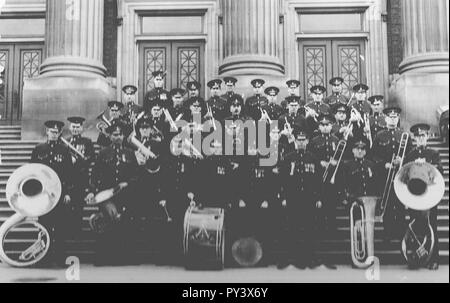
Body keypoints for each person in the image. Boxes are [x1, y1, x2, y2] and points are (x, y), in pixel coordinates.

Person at [87, 121, 139, 266]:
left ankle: (124, 258)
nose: (118, 137)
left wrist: (128, 183)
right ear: (110, 136)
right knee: (107, 224)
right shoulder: (103, 153)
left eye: (120, 134)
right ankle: (104, 258)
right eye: (115, 134)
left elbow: (136, 174)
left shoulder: (130, 153)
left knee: (124, 225)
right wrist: (93, 191)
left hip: (125, 195)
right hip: (106, 195)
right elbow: (94, 174)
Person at [31, 120, 74, 266]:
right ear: (46, 132)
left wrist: (68, 193)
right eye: (52, 132)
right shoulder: (38, 149)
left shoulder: (64, 150)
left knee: (61, 227)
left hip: (60, 194)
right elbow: (33, 173)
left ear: (60, 133)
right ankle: (44, 258)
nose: (54, 134)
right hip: (43, 195)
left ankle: (60, 258)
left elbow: (69, 173)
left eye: (57, 132)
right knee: (45, 226)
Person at [278, 130, 321, 269]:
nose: (301, 142)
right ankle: (292, 258)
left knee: (310, 229)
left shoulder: (313, 158)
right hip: (293, 198)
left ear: (307, 141)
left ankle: (309, 258)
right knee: (292, 229)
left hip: (309, 198)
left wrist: (319, 198)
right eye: (299, 140)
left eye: (303, 140)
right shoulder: (288, 157)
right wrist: (283, 197)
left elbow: (318, 180)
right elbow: (283, 179)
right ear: (295, 141)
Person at [403, 123, 443, 270]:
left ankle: (434, 259)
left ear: (427, 137)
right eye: (418, 137)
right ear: (414, 139)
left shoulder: (434, 154)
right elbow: (404, 175)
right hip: (414, 195)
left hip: (431, 195)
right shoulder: (411, 154)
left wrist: (428, 165)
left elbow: (440, 170)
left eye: (423, 136)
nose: (421, 139)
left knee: (432, 226)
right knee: (415, 227)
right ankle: (415, 258)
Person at [372, 106, 412, 241]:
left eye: (395, 117)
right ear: (385, 118)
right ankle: (388, 233)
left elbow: (411, 155)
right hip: (385, 177)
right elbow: (373, 156)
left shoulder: (404, 135)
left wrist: (403, 160)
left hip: (401, 176)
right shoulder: (379, 135)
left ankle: (400, 233)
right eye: (390, 117)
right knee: (388, 205)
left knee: (400, 205)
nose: (393, 119)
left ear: (398, 118)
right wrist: (384, 164)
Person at [307, 113, 339, 270]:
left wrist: (335, 162)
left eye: (328, 124)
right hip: (318, 179)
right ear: (319, 127)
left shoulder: (337, 141)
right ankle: (320, 227)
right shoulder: (314, 141)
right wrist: (319, 162)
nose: (325, 127)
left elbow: (344, 158)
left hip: (333, 179)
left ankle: (331, 228)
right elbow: (309, 157)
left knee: (331, 204)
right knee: (318, 207)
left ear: (331, 126)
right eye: (322, 125)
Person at [64, 117, 96, 234]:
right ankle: (68, 230)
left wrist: (79, 161)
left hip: (81, 179)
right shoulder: (65, 141)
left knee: (78, 206)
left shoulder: (87, 142)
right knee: (67, 207)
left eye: (78, 127)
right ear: (69, 128)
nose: (75, 129)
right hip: (68, 179)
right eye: (73, 127)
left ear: (82, 128)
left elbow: (92, 158)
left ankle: (77, 231)